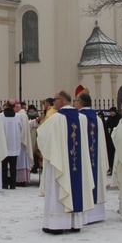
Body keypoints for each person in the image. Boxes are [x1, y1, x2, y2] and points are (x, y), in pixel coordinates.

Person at [37, 89, 95, 233]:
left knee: (58, 190)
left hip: (60, 163)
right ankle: (74, 223)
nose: (53, 102)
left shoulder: (56, 119)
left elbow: (42, 136)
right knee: (75, 186)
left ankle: (56, 224)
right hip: (76, 165)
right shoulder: (81, 118)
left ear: (61, 101)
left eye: (55, 99)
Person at [75, 92, 109, 224]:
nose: (75, 103)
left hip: (83, 158)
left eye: (77, 101)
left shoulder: (78, 117)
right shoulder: (97, 119)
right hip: (96, 158)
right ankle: (97, 214)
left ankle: (87, 213)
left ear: (81, 102)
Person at [13, 101, 34, 186]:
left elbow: (23, 128)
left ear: (17, 107)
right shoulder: (22, 114)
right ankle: (20, 179)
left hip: (21, 142)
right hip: (20, 141)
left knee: (20, 161)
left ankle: (20, 180)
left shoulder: (22, 115)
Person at [2, 101, 21, 190]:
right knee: (13, 167)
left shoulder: (0, 116)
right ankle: (13, 184)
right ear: (14, 106)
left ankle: (4, 183)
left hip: (4, 145)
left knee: (4, 166)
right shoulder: (18, 116)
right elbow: (21, 128)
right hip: (14, 144)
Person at [105, 106, 120, 173]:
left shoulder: (119, 118)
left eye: (112, 112)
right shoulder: (109, 118)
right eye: (110, 112)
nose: (111, 113)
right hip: (109, 139)